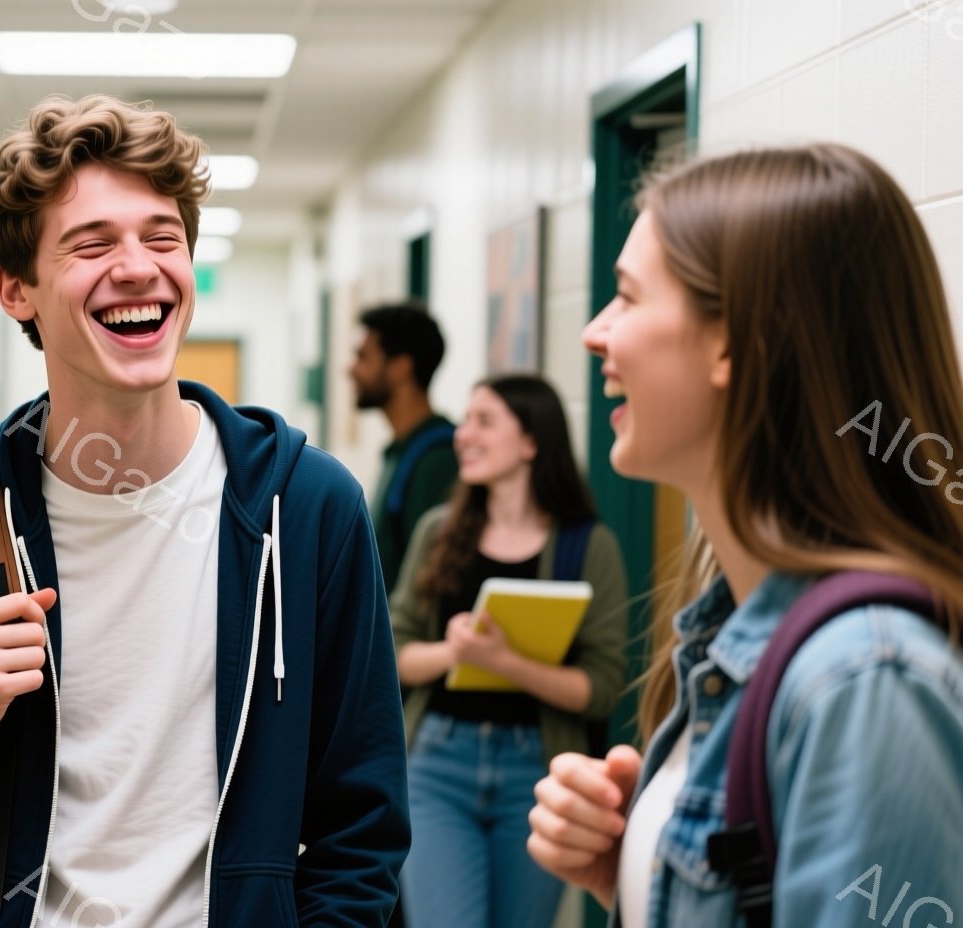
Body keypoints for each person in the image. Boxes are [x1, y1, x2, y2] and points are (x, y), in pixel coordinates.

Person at [0, 94, 411, 926]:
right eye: (92, 243)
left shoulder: (309, 509)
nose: (138, 267)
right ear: (16, 289)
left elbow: (363, 830)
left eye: (162, 238)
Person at [527, 143, 963, 927]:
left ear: (733, 340)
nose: (596, 333)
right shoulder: (738, 636)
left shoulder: (865, 677)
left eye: (627, 297)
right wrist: (634, 873)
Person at [390, 374, 629, 928]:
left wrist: (505, 663)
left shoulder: (590, 547)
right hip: (437, 765)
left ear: (531, 442)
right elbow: (395, 653)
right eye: (466, 420)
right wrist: (456, 653)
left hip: (537, 773)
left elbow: (600, 688)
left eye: (485, 421)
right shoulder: (437, 532)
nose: (463, 434)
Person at [350, 301, 459, 594]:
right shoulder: (401, 451)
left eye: (362, 357)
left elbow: (431, 578)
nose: (350, 369)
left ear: (400, 368)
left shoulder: (438, 460)